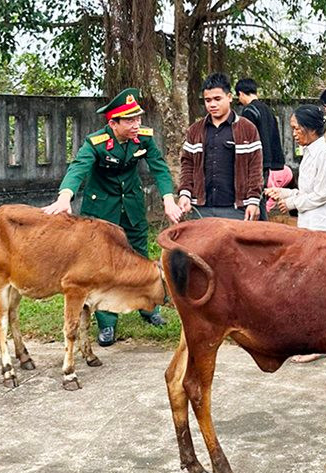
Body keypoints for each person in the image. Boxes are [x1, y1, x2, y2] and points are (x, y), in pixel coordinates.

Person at [42, 88, 183, 347]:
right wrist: (65, 196)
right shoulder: (95, 143)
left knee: (140, 256)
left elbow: (160, 167)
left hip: (132, 206)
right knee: (103, 266)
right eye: (129, 121)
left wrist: (167, 199)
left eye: (138, 119)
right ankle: (107, 323)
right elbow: (78, 168)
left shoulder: (143, 139)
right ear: (113, 123)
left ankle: (149, 308)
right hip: (102, 211)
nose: (136, 125)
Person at [266, 105, 326, 363]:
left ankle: (321, 343)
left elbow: (321, 195)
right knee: (311, 288)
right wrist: (283, 193)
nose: (295, 134)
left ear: (311, 129)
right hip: (310, 226)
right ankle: (313, 340)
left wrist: (290, 203)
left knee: (320, 290)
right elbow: (305, 191)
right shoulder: (310, 152)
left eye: (297, 129)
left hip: (324, 228)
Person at [177, 73, 263, 221]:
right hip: (201, 209)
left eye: (217, 99)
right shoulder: (195, 130)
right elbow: (187, 165)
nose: (212, 105)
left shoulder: (247, 129)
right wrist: (185, 193)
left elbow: (255, 168)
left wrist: (253, 201)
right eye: (208, 100)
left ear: (229, 97)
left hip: (236, 209)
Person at [235, 78, 286, 220]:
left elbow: (246, 139)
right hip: (267, 160)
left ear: (241, 93)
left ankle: (259, 228)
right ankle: (263, 227)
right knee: (260, 195)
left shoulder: (249, 111)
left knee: (253, 196)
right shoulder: (267, 110)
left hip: (255, 161)